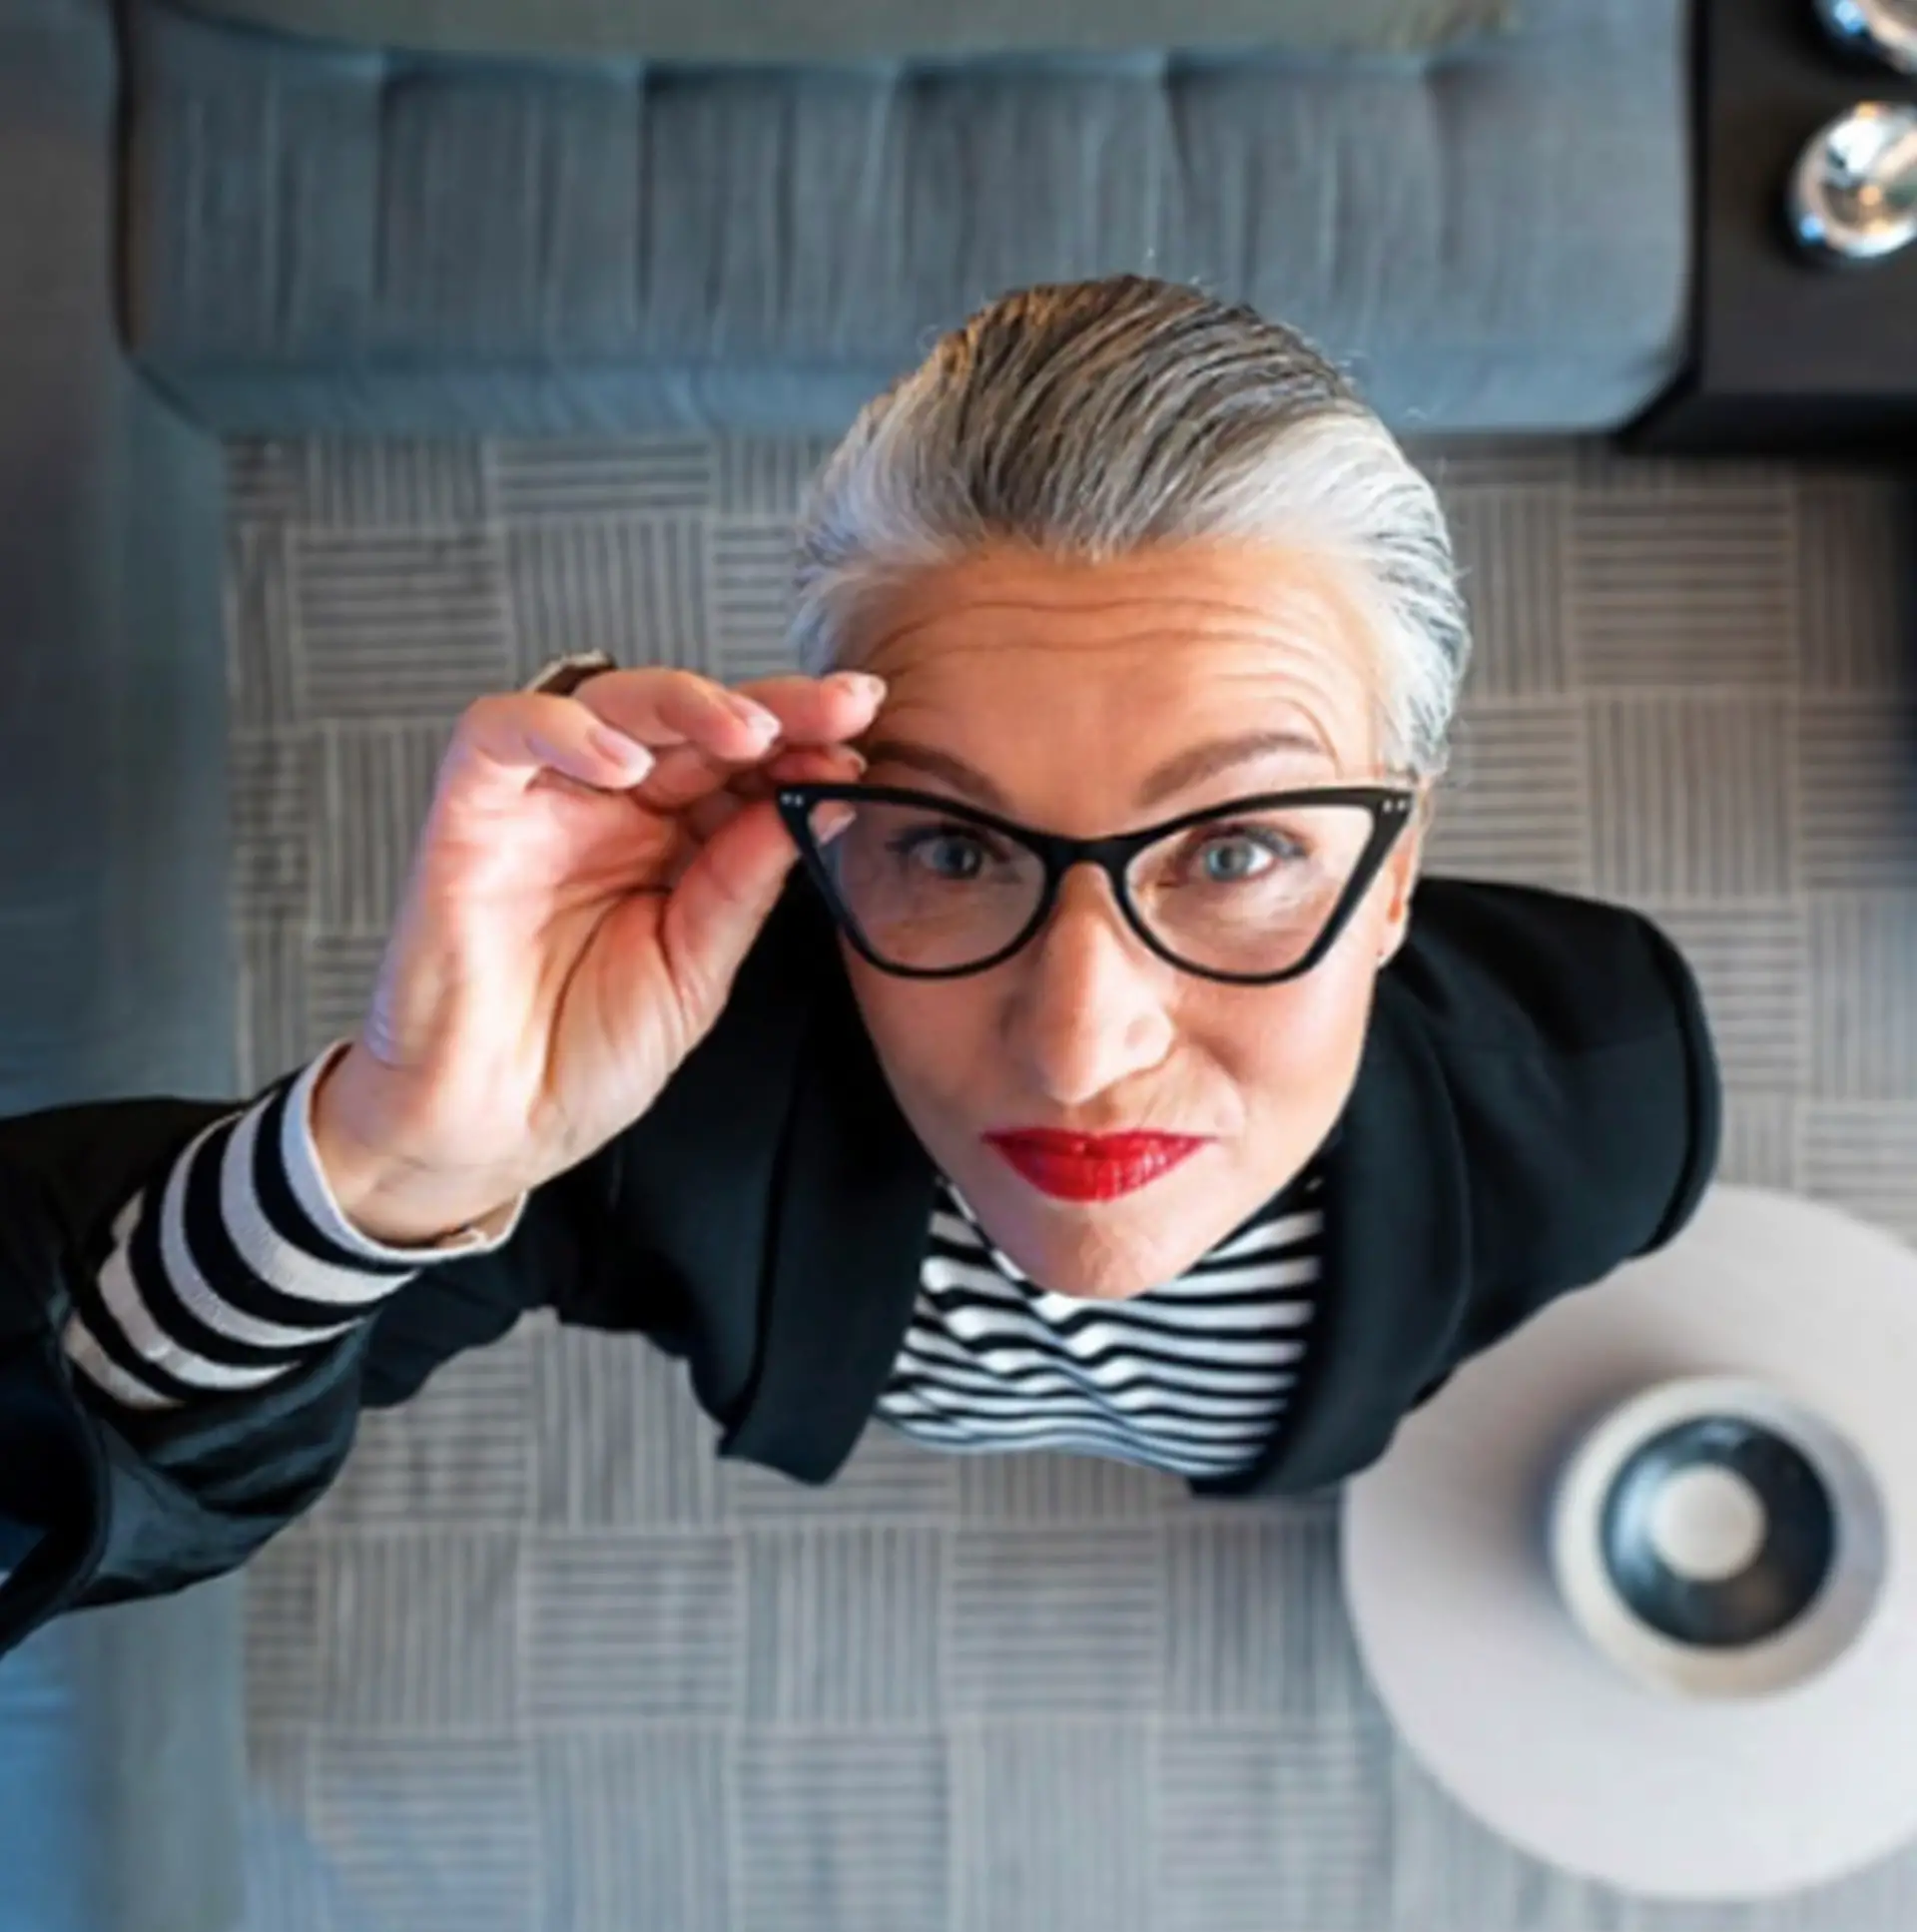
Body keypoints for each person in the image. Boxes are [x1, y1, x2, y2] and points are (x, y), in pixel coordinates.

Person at [0, 274, 1720, 1660]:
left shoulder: (1615, 1088)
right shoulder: (659, 1110)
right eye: (955, 847)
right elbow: (59, 1467)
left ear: (1396, 864)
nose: (1076, 1046)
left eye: (1238, 848)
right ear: (829, 824)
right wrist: (386, 1162)